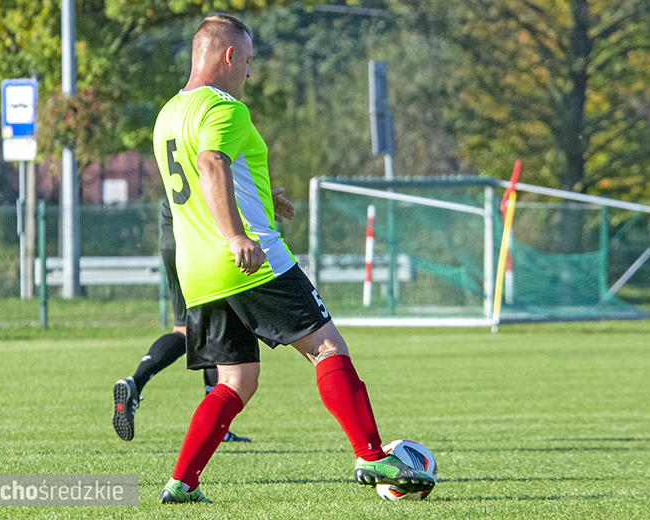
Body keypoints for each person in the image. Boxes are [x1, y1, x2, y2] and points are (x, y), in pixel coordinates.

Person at [151, 13, 435, 504]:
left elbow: (205, 180)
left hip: (197, 272)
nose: (249, 73)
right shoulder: (226, 107)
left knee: (237, 379)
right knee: (327, 348)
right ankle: (370, 454)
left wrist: (262, 196)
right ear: (229, 56)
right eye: (250, 61)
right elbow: (211, 163)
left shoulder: (169, 114)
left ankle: (183, 481)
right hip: (249, 260)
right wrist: (238, 233)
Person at [113, 194, 290, 443]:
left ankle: (135, 382)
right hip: (200, 238)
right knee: (213, 324)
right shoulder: (205, 154)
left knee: (189, 327)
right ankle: (217, 423)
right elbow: (213, 179)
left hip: (172, 233)